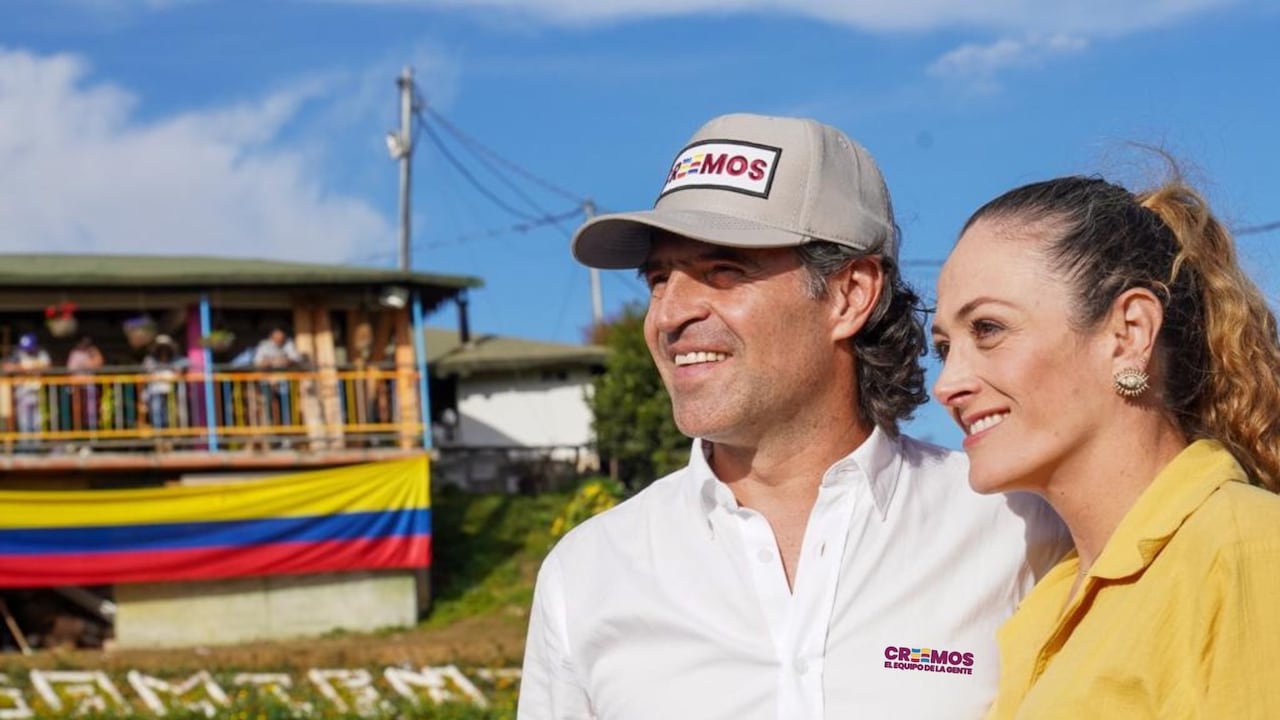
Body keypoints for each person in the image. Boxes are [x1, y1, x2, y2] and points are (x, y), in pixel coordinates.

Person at [518, 113, 1069, 719]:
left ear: (850, 294)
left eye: (722, 271)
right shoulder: (588, 572)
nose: (668, 315)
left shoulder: (1019, 528)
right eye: (657, 280)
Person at [930, 171, 1280, 718]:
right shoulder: (1048, 601)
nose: (947, 384)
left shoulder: (1246, 551)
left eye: (988, 329)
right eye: (944, 347)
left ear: (1129, 333)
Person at [3, 333, 51, 449]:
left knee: (37, 421)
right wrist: (23, 368)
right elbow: (7, 366)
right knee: (24, 422)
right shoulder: (18, 354)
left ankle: (37, 447)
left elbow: (47, 366)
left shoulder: (41, 353)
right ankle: (26, 448)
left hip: (38, 392)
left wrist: (29, 368)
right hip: (22, 392)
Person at [143, 334, 186, 448]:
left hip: (170, 392)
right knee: (156, 414)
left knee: (170, 415)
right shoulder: (150, 360)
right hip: (155, 391)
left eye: (165, 347)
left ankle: (169, 440)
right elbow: (148, 373)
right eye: (161, 347)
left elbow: (185, 364)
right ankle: (158, 439)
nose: (163, 350)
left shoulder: (175, 359)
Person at [66, 336, 104, 433]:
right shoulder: (75, 354)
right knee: (78, 415)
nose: (85, 345)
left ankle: (91, 440)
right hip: (79, 388)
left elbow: (98, 363)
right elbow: (72, 369)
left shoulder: (92, 353)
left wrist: (94, 352)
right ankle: (79, 438)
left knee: (92, 415)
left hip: (90, 388)